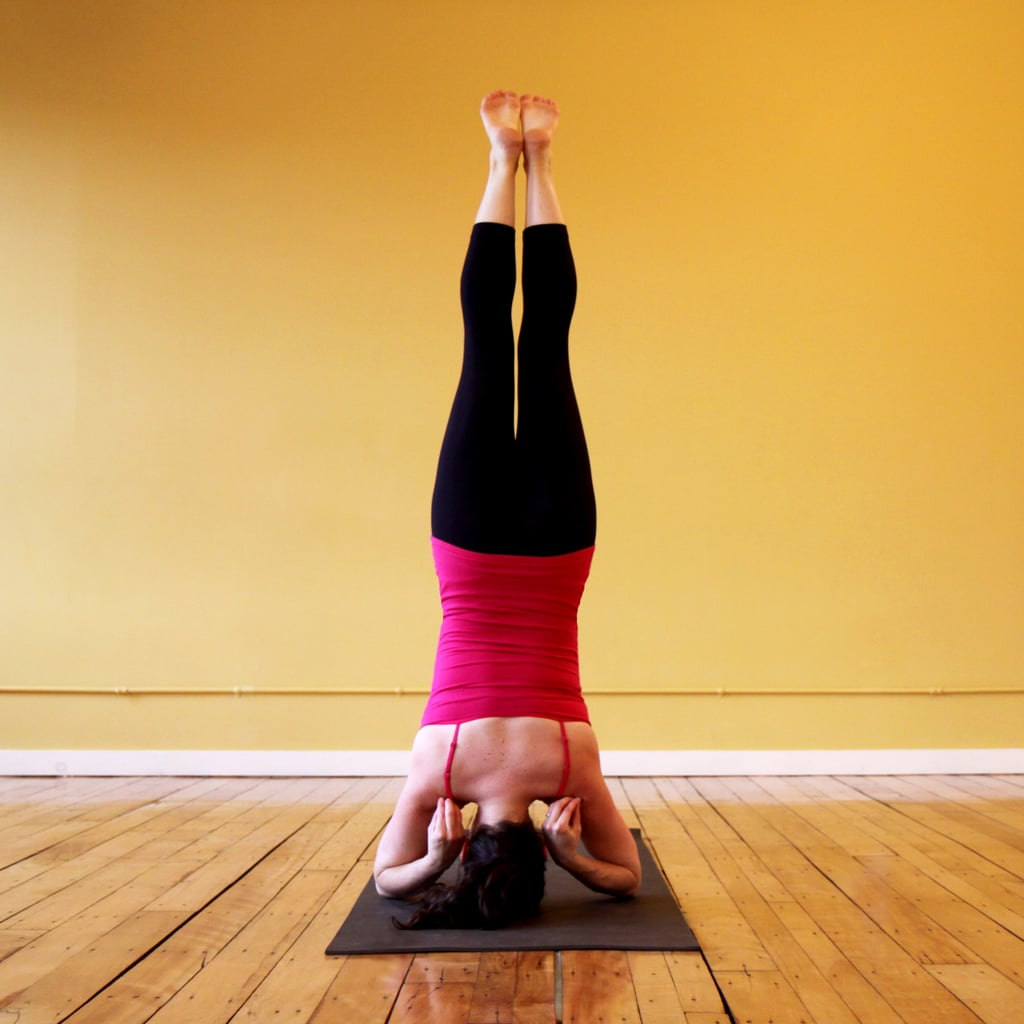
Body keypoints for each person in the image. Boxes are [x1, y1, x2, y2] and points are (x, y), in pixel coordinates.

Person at [372, 91, 641, 929]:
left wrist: (576, 857)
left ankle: (541, 161)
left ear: (536, 846)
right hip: (470, 549)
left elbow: (622, 876)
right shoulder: (435, 769)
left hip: (561, 552)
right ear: (475, 847)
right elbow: (390, 879)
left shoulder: (575, 767)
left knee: (546, 343)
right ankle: (502, 159)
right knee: (487, 339)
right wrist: (436, 857)